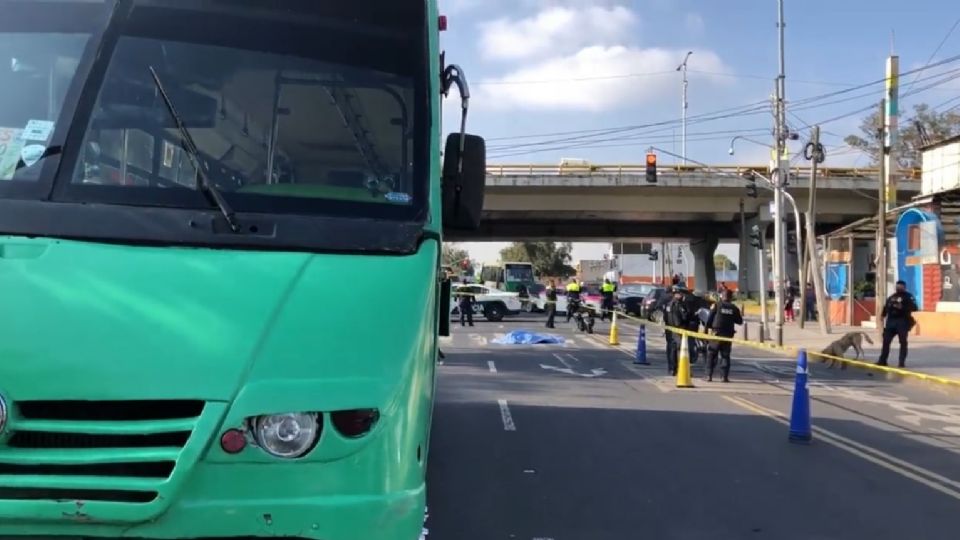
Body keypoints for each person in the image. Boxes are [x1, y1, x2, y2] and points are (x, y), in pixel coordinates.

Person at [705, 289, 744, 382]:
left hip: (716, 333)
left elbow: (709, 319)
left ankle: (708, 376)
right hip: (728, 334)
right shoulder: (734, 308)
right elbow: (740, 321)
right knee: (725, 356)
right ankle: (724, 377)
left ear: (722, 296)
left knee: (711, 354)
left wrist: (707, 329)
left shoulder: (717, 305)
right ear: (731, 298)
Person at [877, 280, 918, 368]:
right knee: (886, 341)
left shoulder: (908, 296)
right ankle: (882, 360)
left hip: (902, 321)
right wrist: (882, 315)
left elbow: (914, 307)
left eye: (900, 287)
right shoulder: (892, 297)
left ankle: (901, 362)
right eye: (897, 286)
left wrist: (902, 307)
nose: (898, 288)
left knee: (903, 342)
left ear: (904, 287)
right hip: (891, 322)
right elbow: (886, 307)